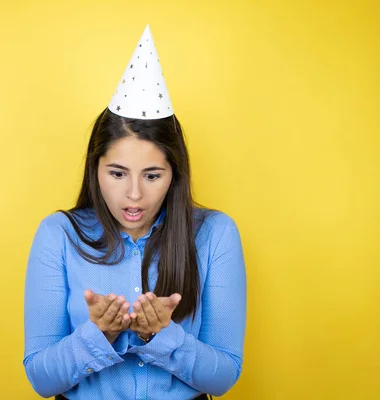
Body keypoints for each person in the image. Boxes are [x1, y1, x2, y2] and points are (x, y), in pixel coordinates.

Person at [23, 25, 246, 400]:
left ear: (174, 174)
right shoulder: (59, 234)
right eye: (117, 173)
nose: (134, 194)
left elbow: (223, 377)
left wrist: (162, 335)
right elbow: (41, 380)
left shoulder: (215, 234)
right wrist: (99, 336)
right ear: (95, 169)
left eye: (153, 175)